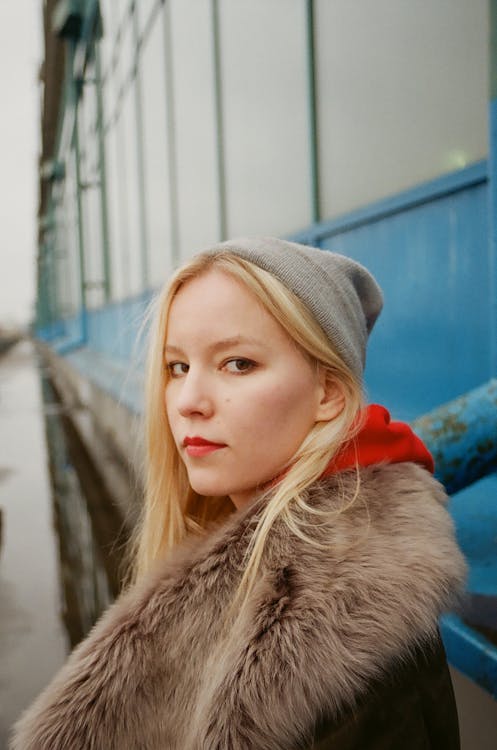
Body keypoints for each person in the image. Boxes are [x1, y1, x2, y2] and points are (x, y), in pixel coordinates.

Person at [12, 237, 466, 749]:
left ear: (328, 394)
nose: (188, 401)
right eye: (177, 367)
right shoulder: (238, 547)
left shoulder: (348, 628)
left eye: (237, 364)